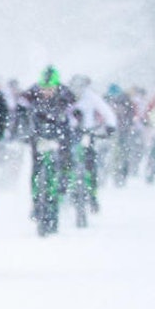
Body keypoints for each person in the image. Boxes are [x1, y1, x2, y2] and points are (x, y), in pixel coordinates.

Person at [18, 66, 77, 234]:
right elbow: (20, 109)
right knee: (36, 168)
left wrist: (72, 132)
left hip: (60, 134)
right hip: (39, 135)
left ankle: (62, 187)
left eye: (50, 89)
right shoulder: (32, 92)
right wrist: (22, 130)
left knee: (66, 162)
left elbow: (75, 114)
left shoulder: (66, 94)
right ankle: (36, 201)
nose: (46, 92)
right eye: (44, 89)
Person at [68, 74, 117, 212]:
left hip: (87, 133)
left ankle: (93, 195)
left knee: (90, 163)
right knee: (65, 161)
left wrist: (110, 126)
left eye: (81, 87)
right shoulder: (66, 96)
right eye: (75, 86)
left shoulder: (91, 97)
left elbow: (107, 112)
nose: (78, 90)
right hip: (69, 134)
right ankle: (63, 191)